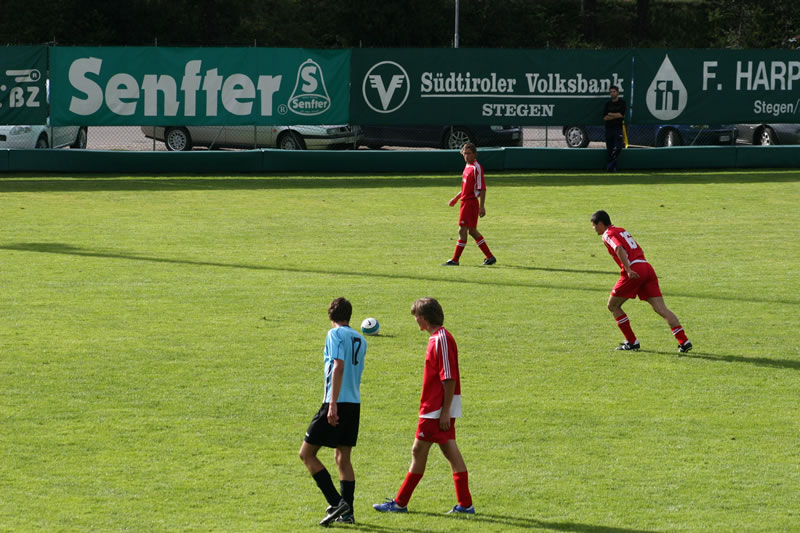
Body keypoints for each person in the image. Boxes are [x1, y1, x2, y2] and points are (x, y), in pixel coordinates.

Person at [373, 297, 475, 515]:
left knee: (419, 450)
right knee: (450, 451)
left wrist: (445, 412)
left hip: (436, 409)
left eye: (416, 316)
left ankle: (400, 503)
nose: (415, 320)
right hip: (437, 408)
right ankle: (465, 504)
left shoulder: (441, 340)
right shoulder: (438, 338)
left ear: (425, 318)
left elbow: (448, 378)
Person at [299, 297, 367, 526]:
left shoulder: (334, 335)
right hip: (354, 403)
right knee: (343, 458)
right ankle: (348, 514)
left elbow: (338, 367)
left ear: (331, 316)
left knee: (306, 454)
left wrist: (332, 404)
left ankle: (337, 502)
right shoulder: (360, 338)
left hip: (335, 402)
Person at [590, 210, 693, 354]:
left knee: (613, 305)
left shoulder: (608, 234)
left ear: (600, 224)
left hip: (634, 270)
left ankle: (632, 342)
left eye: (593, 225)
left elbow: (619, 248)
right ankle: (684, 341)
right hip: (646, 267)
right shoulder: (621, 230)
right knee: (661, 309)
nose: (593, 228)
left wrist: (628, 269)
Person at [442, 142, 497, 266]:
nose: (466, 156)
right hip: (465, 202)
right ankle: (490, 257)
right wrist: (456, 198)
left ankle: (455, 260)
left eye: (469, 153)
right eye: (464, 153)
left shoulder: (476, 168)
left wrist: (482, 206)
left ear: (474, 154)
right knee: (472, 230)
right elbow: (465, 187)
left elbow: (482, 188)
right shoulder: (467, 166)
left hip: (470, 203)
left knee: (462, 230)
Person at [603, 85, 626, 172]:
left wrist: (611, 114)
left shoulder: (622, 103)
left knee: (619, 147)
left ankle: (610, 164)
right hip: (608, 129)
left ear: (618, 92)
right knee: (610, 149)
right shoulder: (607, 104)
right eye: (611, 92)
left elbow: (621, 115)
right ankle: (613, 168)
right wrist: (616, 115)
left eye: (614, 92)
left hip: (618, 129)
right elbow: (605, 117)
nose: (612, 93)